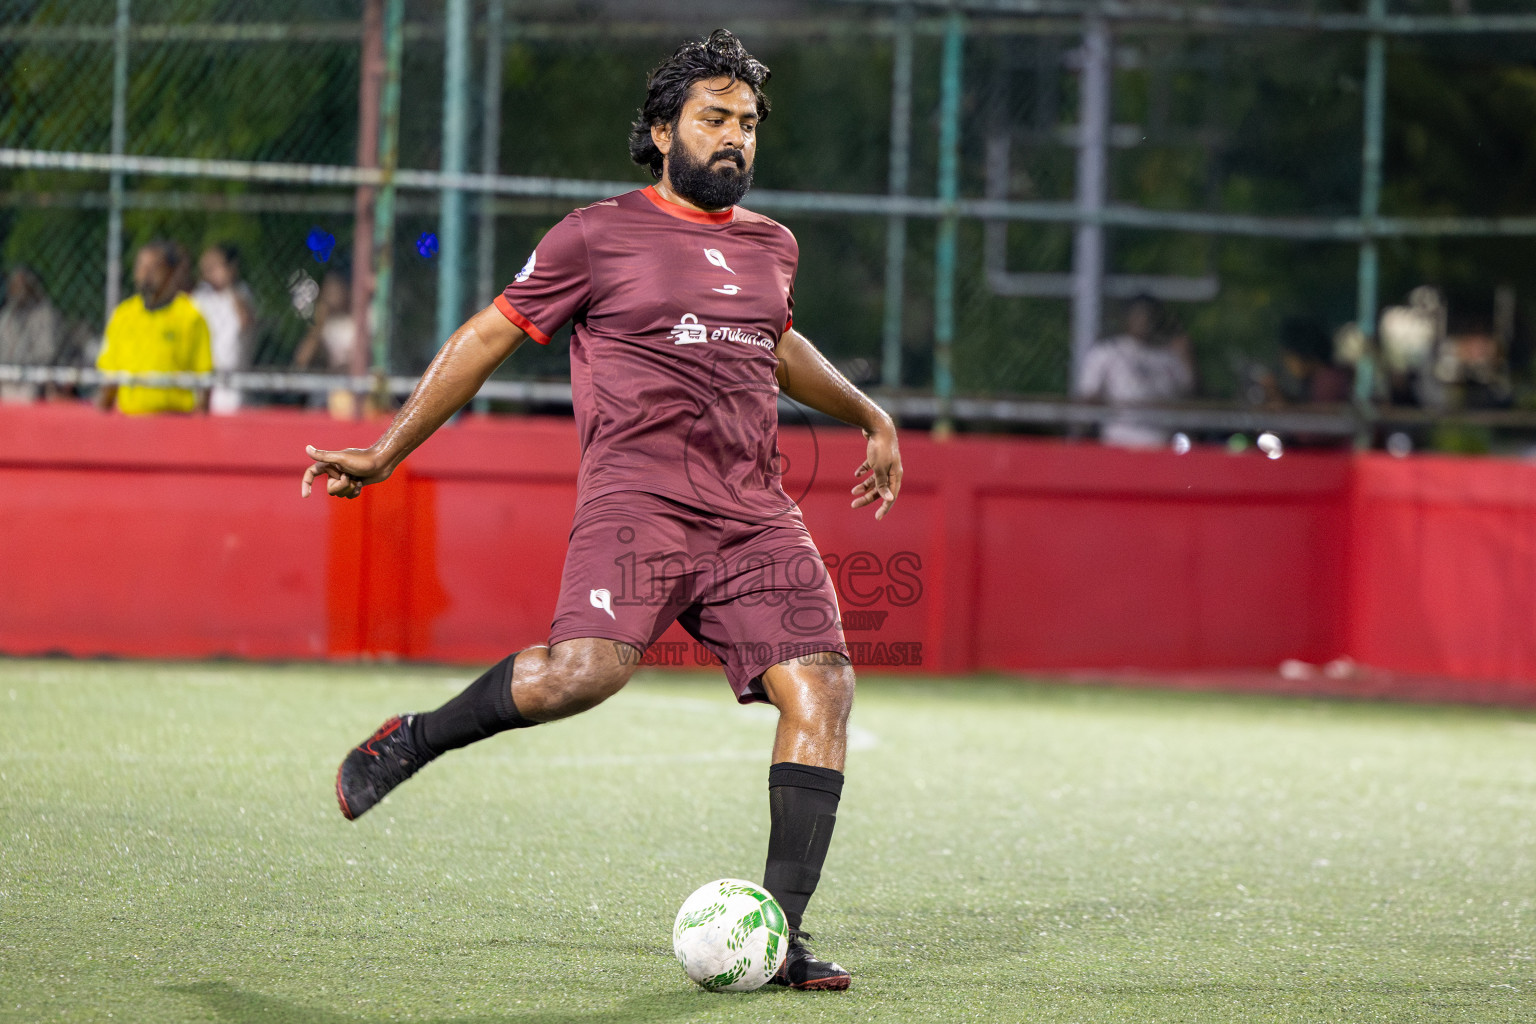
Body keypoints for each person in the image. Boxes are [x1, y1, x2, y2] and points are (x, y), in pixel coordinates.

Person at [302, 30, 901, 992]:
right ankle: (413, 738)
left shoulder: (772, 246)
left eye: (747, 124)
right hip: (642, 506)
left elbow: (776, 343)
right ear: (663, 131)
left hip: (754, 515)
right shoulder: (595, 235)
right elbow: (489, 335)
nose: (735, 139)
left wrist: (869, 413)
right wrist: (385, 451)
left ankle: (775, 935)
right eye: (714, 119)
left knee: (823, 688)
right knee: (578, 677)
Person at [96, 241, 212, 415]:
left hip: (175, 419)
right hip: (131, 420)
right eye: (141, 266)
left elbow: (204, 376)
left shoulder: (190, 315)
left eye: (154, 267)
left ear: (171, 272)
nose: (145, 273)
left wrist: (200, 425)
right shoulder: (123, 314)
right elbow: (110, 377)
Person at [1076, 294, 1194, 448]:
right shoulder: (1107, 352)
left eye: (1149, 315)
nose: (1144, 321)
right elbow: (1088, 395)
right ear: (1126, 318)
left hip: (1163, 445)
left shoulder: (1168, 358)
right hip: (1117, 441)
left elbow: (1189, 392)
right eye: (1138, 314)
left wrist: (1187, 356)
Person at [191, 243, 256, 415]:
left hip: (232, 383)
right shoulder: (200, 297)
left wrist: (229, 285)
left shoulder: (241, 294)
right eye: (206, 266)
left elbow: (246, 321)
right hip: (205, 378)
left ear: (231, 268)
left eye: (215, 265)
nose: (208, 271)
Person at [0, 266, 65, 403]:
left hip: (32, 376)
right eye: (15, 285)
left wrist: (21, 364)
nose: (18, 289)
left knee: (24, 395)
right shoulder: (6, 315)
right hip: (6, 375)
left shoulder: (44, 315)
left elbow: (47, 352)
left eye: (23, 284)